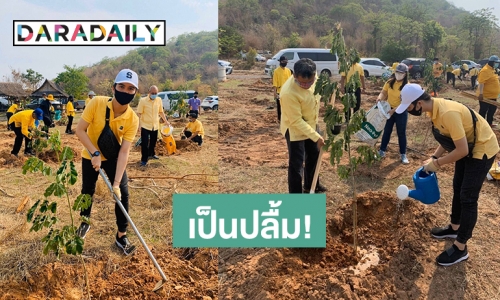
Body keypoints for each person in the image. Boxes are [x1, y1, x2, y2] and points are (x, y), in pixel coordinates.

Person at [395, 83, 499, 266]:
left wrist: (436, 164)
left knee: (468, 197)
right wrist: (434, 156)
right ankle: (454, 227)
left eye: (409, 107)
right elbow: (448, 137)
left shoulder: (446, 112)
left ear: (419, 103)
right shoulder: (434, 110)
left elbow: (462, 150)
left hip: (482, 148)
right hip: (468, 146)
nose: (409, 111)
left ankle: (461, 247)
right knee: (458, 186)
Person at [75, 69, 140, 256]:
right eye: (121, 86)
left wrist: (117, 184)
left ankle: (121, 236)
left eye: (130, 89)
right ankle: (84, 222)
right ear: (114, 88)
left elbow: (125, 151)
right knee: (88, 189)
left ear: (135, 93)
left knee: (123, 195)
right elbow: (80, 131)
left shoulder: (132, 119)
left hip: (113, 158)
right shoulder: (96, 103)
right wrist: (94, 152)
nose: (125, 91)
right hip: (90, 156)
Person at [280, 58, 326, 194]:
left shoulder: (314, 76)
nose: (306, 85)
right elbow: (296, 121)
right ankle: (296, 195)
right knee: (297, 164)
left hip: (312, 124)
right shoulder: (288, 93)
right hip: (295, 130)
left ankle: (311, 185)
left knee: (314, 156)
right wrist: (316, 136)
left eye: (309, 82)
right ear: (294, 75)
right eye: (302, 83)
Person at [376, 63, 410, 164]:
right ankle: (382, 151)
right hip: (389, 110)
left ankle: (403, 154)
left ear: (405, 74)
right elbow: (384, 92)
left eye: (401, 73)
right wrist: (379, 98)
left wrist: (393, 110)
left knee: (401, 133)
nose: (398, 74)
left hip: (401, 111)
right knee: (387, 131)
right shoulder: (390, 82)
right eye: (397, 72)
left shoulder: (407, 86)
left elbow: (405, 102)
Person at [137, 85, 169, 166]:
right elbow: (139, 114)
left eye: (156, 93)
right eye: (153, 93)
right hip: (145, 125)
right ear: (149, 93)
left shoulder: (158, 100)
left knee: (153, 141)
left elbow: (161, 112)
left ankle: (151, 154)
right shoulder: (143, 101)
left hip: (155, 125)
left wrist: (166, 121)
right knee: (144, 143)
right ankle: (144, 159)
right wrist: (139, 125)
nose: (154, 94)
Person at [339, 55, 366, 122]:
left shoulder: (360, 67)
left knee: (357, 104)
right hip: (348, 88)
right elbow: (343, 77)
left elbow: (362, 77)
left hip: (357, 88)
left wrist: (364, 87)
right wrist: (342, 87)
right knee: (347, 104)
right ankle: (347, 119)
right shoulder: (346, 66)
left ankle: (355, 119)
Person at [477, 55, 500, 126]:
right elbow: (481, 83)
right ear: (491, 62)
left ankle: (489, 123)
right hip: (485, 96)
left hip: (493, 96)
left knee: (492, 110)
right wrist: (481, 94)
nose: (497, 64)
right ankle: (481, 125)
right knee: (483, 111)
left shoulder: (492, 69)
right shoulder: (485, 70)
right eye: (496, 63)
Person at [273, 55, 293, 122]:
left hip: (287, 91)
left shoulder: (288, 71)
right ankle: (280, 119)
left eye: (286, 61)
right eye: (283, 61)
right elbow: (275, 82)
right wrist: (275, 92)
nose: (285, 63)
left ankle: (286, 118)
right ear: (280, 62)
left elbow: (290, 81)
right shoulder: (276, 71)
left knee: (287, 105)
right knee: (280, 106)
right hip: (279, 91)